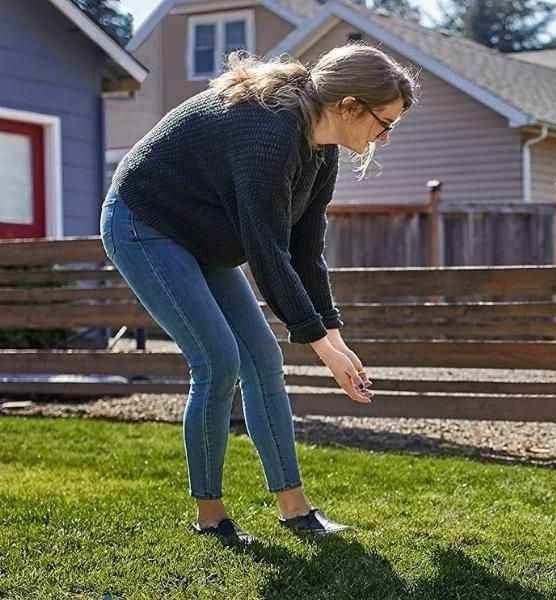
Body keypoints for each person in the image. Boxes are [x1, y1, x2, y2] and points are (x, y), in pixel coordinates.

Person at [100, 43, 416, 543]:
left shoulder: (322, 150)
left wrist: (335, 337)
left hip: (202, 235)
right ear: (350, 106)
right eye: (385, 122)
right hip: (146, 224)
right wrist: (323, 351)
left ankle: (296, 510)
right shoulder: (269, 132)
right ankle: (211, 517)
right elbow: (268, 253)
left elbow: (305, 249)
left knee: (263, 358)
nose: (386, 136)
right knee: (218, 361)